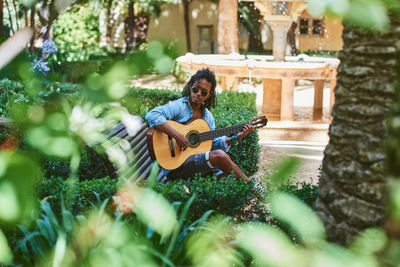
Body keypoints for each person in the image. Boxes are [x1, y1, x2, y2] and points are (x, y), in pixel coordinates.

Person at [145, 68, 265, 194]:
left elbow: (213, 144)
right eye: (195, 89)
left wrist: (237, 137)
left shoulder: (207, 117)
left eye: (204, 92)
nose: (198, 94)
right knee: (219, 156)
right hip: (174, 166)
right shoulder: (180, 106)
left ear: (209, 95)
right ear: (191, 86)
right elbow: (152, 116)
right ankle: (251, 186)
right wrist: (177, 135)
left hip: (191, 165)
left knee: (228, 177)